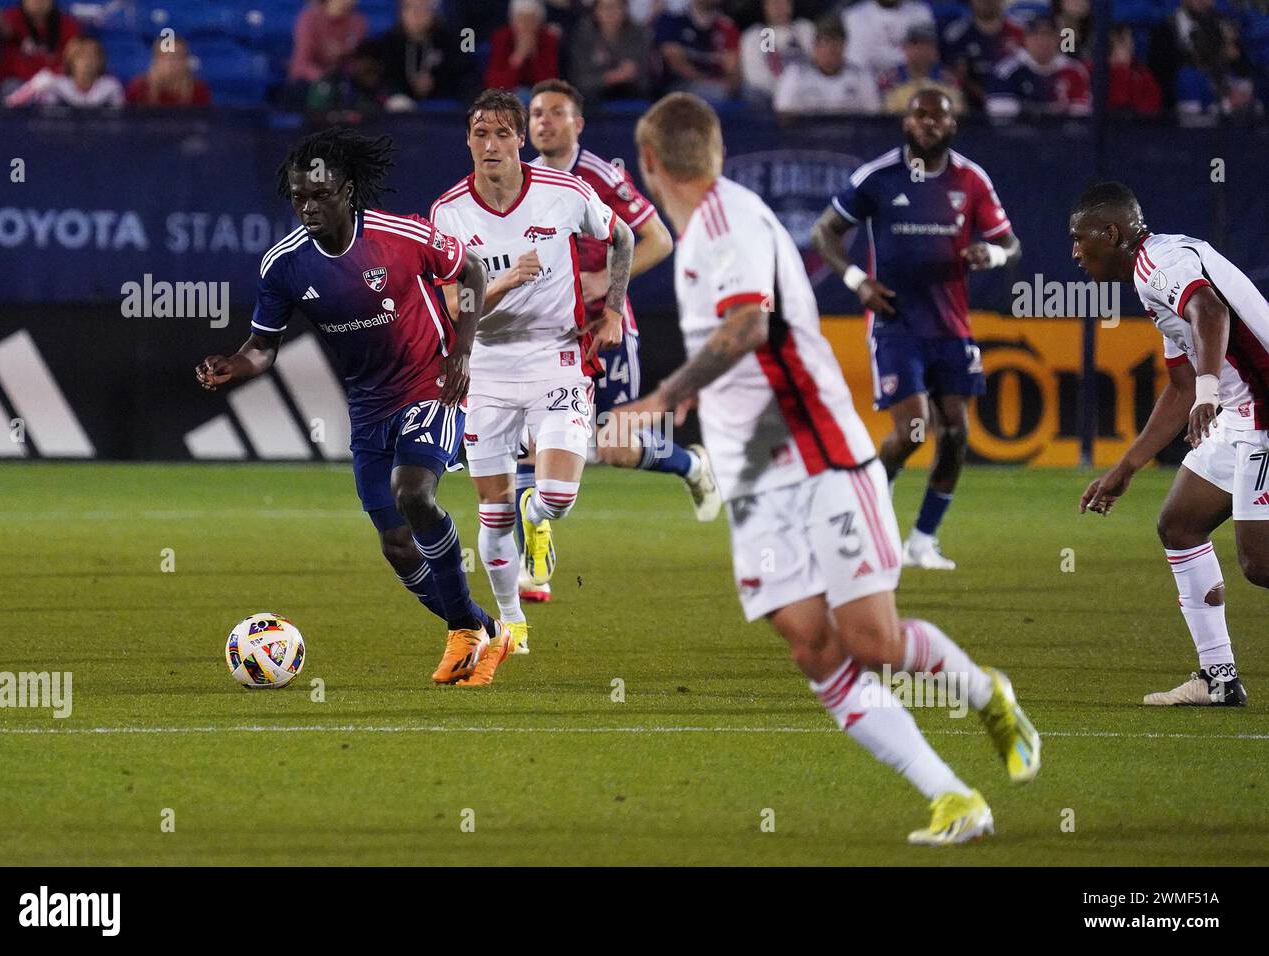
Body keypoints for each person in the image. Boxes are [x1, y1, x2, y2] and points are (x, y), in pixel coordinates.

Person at [610, 92, 1040, 845]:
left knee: (871, 640)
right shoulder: (701, 235)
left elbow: (749, 324)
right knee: (814, 646)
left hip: (821, 457)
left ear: (650, 163)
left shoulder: (727, 223)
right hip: (754, 479)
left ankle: (984, 691)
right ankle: (952, 797)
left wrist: (661, 399)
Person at [194, 129, 511, 687]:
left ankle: (463, 631)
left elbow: (474, 272)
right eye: (298, 198)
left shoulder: (402, 235)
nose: (308, 207)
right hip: (368, 407)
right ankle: (488, 631)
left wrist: (461, 352)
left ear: (348, 190)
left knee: (413, 491)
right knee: (395, 545)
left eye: (320, 195)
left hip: (430, 385)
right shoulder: (284, 265)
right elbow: (262, 349)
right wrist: (232, 366)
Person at [429, 89, 635, 653]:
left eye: (501, 134)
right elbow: (453, 309)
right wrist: (504, 282)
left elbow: (623, 236)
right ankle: (512, 619)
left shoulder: (564, 193)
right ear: (468, 141)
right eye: (479, 134)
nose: (490, 145)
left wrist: (613, 307)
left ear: (521, 139)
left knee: (559, 496)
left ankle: (537, 509)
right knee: (492, 513)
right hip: (488, 366)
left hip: (557, 356)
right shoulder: (449, 212)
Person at [524, 78, 719, 601]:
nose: (543, 121)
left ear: (577, 124)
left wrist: (603, 283)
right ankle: (535, 554)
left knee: (612, 444)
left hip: (604, 329)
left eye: (556, 112)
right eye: (537, 112)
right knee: (528, 440)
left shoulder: (600, 176)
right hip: (545, 334)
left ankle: (691, 464)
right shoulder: (520, 183)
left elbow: (659, 238)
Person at [811, 89, 1021, 569]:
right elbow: (825, 231)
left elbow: (1011, 244)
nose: (928, 123)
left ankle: (922, 541)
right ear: (906, 123)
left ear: (952, 125)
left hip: (951, 326)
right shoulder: (878, 177)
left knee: (956, 435)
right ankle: (862, 515)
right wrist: (856, 280)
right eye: (919, 115)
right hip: (895, 323)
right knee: (912, 430)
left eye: (938, 117)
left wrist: (993, 254)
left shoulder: (971, 180)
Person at [1075, 181, 1264, 707]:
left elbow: (1210, 311)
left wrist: (1208, 392)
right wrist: (1127, 467)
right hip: (1241, 412)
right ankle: (1219, 679)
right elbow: (1181, 387)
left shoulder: (1159, 264)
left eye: (1079, 237)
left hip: (1265, 410)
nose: (1074, 251)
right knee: (1179, 524)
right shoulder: (1152, 276)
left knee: (1261, 563)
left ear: (1110, 233)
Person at [360, 0, 471, 105]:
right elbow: (378, 81)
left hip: (444, 112)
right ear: (401, 12)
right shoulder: (385, 45)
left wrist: (435, 83)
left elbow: (462, 76)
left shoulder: (450, 42)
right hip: (397, 113)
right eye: (410, 8)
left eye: (422, 8)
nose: (416, 14)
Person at [773, 14, 878, 118]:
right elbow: (783, 118)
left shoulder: (861, 78)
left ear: (845, 45)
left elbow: (873, 119)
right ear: (815, 46)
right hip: (807, 133)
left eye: (837, 41)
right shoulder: (796, 75)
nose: (831, 49)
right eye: (826, 41)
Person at [986, 15, 1090, 120]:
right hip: (1018, 133)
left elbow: (1081, 114)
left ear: (1058, 38)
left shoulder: (1074, 70)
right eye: (1035, 34)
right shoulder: (1006, 70)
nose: (1042, 40)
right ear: (1025, 38)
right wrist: (1048, 110)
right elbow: (999, 112)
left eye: (1049, 34)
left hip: (1063, 134)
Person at [940, 0, 1024, 114]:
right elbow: (953, 76)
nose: (986, 2)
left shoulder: (1020, 31)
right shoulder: (956, 35)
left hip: (1017, 107)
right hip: (971, 112)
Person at [567, 0, 655, 103]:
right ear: (595, 11)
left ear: (625, 10)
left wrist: (629, 72)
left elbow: (643, 72)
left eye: (617, 7)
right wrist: (610, 77)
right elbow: (579, 78)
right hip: (593, 95)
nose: (611, 12)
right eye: (606, 8)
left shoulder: (638, 33)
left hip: (632, 90)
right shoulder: (583, 34)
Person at [0, 0, 81, 99]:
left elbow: (72, 57)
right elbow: (5, 31)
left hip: (53, 84)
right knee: (9, 88)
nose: (38, 2)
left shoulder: (66, 23)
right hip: (18, 83)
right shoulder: (12, 17)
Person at [654, 0, 740, 104]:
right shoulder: (672, 19)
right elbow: (675, 62)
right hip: (677, 86)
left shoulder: (727, 25)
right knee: (716, 92)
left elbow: (731, 68)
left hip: (718, 87)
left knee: (750, 94)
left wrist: (732, 84)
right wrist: (706, 81)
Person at [6, 35, 123, 108]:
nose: (88, 62)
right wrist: (33, 86)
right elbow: (11, 103)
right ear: (70, 60)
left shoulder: (111, 87)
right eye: (81, 57)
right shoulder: (55, 85)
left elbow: (119, 124)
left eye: (93, 56)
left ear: (101, 61)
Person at [738, 0, 814, 104]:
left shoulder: (804, 29)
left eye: (783, 3)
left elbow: (817, 62)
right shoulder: (756, 35)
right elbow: (756, 77)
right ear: (765, 7)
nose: (779, 7)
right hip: (770, 95)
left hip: (807, 90)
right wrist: (786, 91)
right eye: (774, 3)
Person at [881, 22, 965, 116]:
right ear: (904, 48)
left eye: (926, 44)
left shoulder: (949, 80)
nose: (920, 49)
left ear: (935, 50)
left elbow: (956, 116)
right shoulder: (890, 79)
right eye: (915, 44)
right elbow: (885, 117)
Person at [841, 0, 933, 79]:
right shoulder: (852, 17)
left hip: (908, 85)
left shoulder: (920, 12)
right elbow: (856, 64)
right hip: (866, 87)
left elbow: (925, 58)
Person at [484, 0, 561, 94]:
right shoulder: (502, 38)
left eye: (531, 20)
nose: (526, 25)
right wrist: (518, 57)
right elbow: (495, 85)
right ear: (513, 21)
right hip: (507, 98)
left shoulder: (547, 40)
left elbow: (549, 85)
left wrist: (534, 56)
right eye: (521, 19)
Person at [126, 38, 211, 108]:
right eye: (164, 57)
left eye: (176, 57)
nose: (170, 63)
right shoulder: (139, 88)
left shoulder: (198, 90)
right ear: (155, 61)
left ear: (185, 61)